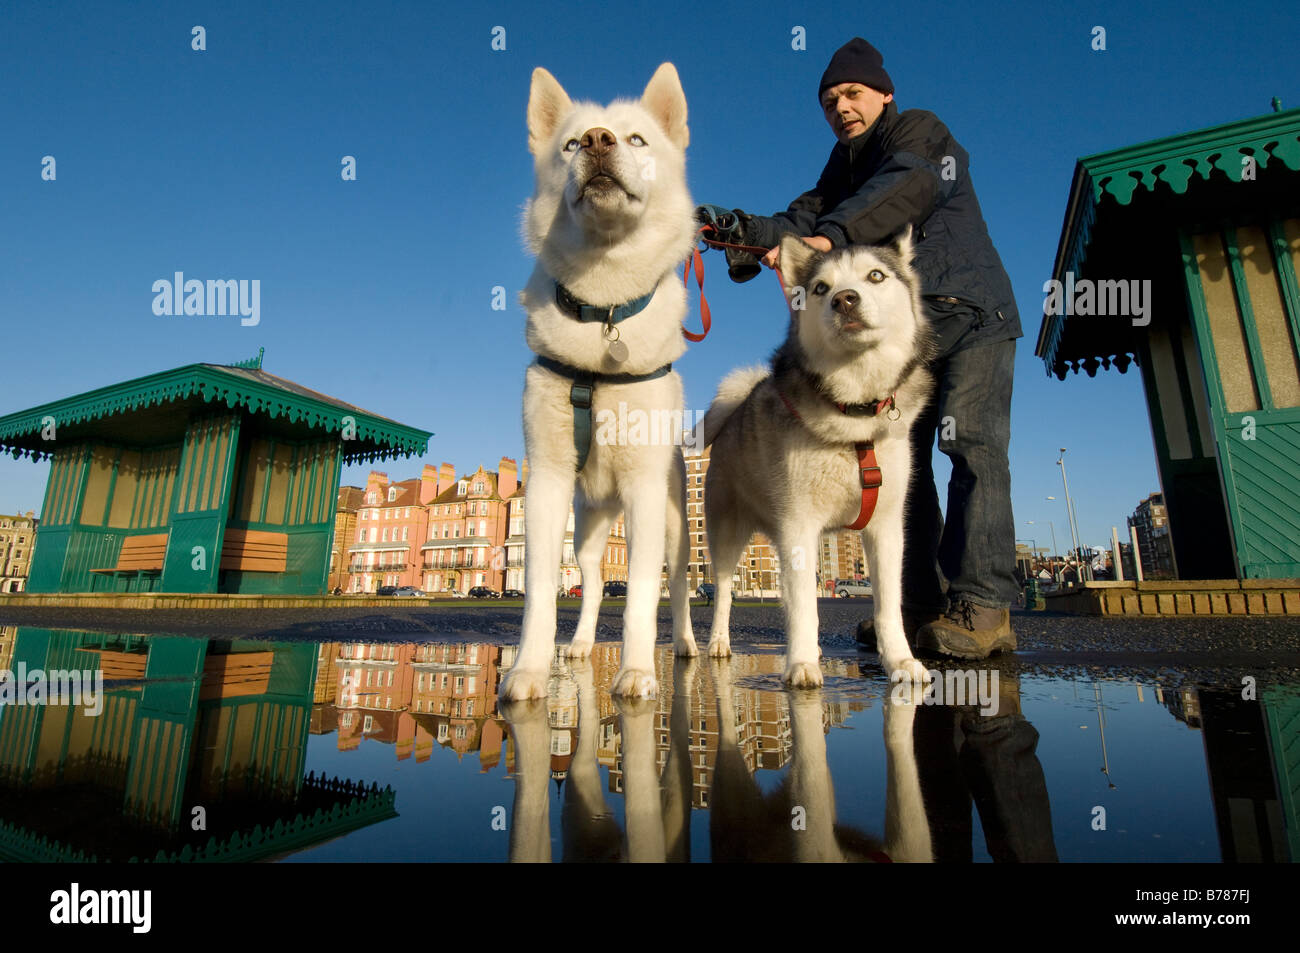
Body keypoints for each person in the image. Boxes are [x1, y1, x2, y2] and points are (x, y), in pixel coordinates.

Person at [699, 37, 1021, 658]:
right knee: (908, 472)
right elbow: (802, 220)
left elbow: (904, 188)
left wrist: (830, 240)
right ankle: (919, 606)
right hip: (898, 342)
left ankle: (983, 605)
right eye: (828, 101)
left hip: (972, 312)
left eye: (852, 93)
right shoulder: (840, 168)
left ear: (884, 94)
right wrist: (737, 231)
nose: (841, 107)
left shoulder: (922, 134)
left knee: (972, 444)